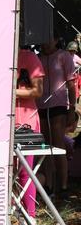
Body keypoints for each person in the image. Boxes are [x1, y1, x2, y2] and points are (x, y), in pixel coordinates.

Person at [38, 38, 78, 199]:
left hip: (58, 106)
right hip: (40, 106)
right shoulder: (39, 58)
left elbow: (71, 84)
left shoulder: (64, 56)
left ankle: (63, 185)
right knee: (44, 146)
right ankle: (49, 184)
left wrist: (72, 108)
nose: (46, 43)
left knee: (58, 144)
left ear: (56, 40)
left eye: (49, 40)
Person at [15, 48, 44, 219]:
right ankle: (9, 212)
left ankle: (30, 215)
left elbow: (38, 91)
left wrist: (11, 92)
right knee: (3, 169)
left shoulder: (29, 57)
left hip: (27, 120)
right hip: (0, 121)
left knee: (26, 170)